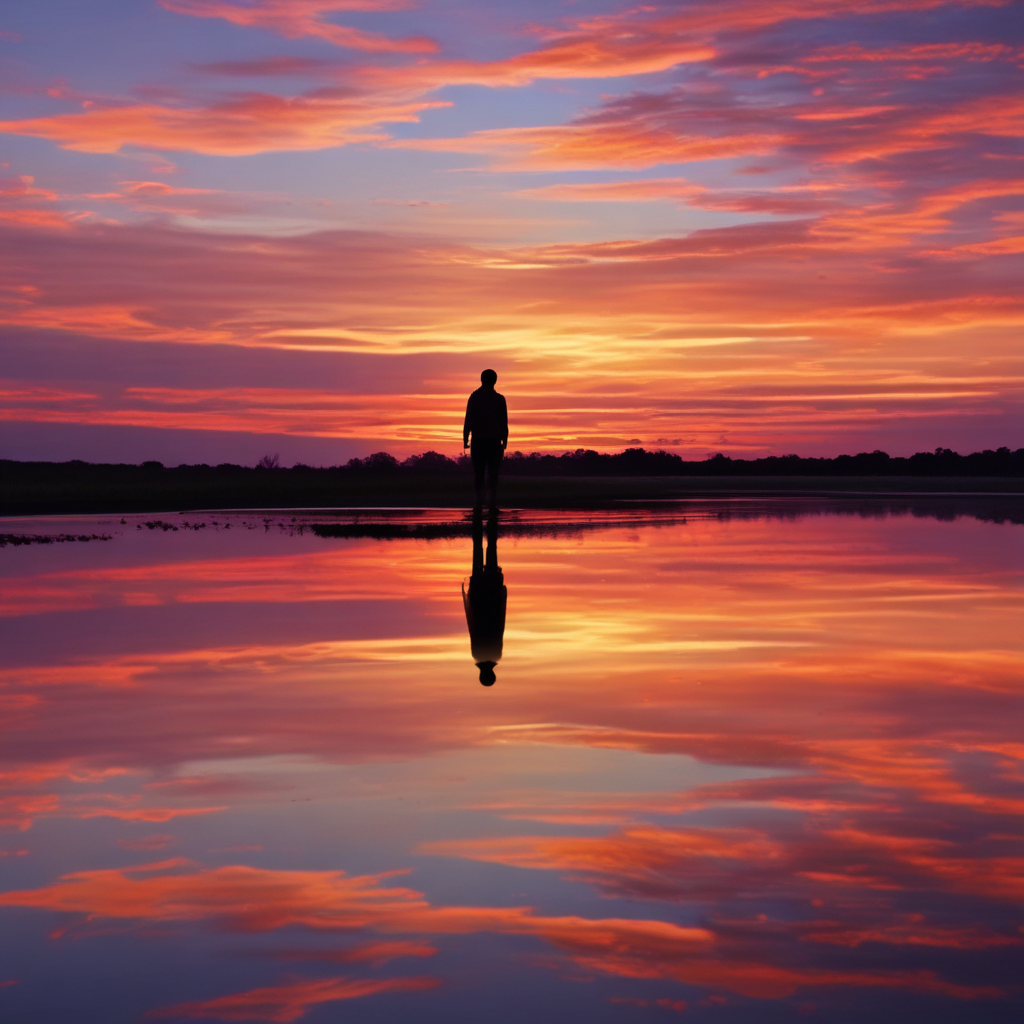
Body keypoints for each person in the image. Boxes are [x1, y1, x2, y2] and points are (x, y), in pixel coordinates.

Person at [462, 511, 506, 686]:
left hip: (491, 598)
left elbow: (499, 624)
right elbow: (474, 625)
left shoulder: (495, 655)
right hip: (480, 599)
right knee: (478, 555)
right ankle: (480, 524)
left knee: (491, 553)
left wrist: (502, 596)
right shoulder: (478, 655)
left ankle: (487, 523)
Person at [463, 369, 508, 509]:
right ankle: (492, 499)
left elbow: (468, 419)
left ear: (481, 379)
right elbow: (503, 422)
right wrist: (505, 440)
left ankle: (479, 499)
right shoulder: (499, 399)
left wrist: (465, 438)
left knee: (479, 472)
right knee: (493, 473)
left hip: (478, 440)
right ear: (495, 380)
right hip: (494, 441)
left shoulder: (474, 397)